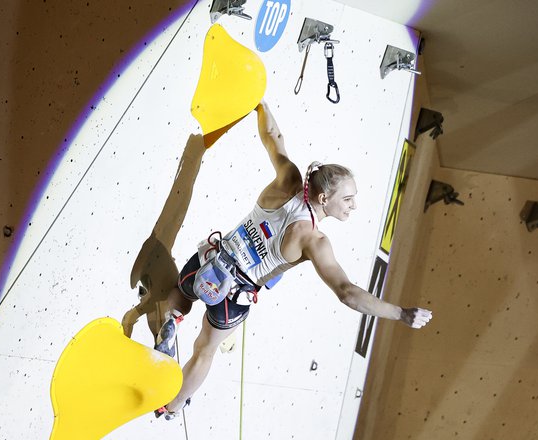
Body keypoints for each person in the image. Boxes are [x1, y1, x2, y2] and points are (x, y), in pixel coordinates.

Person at [154, 101, 432, 418]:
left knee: (182, 291)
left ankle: (172, 317)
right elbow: (347, 293)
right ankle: (172, 405)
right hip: (234, 296)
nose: (353, 206)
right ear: (324, 199)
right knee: (205, 351)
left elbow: (274, 136)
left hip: (211, 259)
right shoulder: (315, 240)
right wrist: (399, 313)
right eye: (348, 199)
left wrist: (258, 102)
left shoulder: (287, 181)